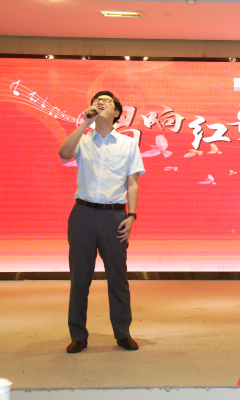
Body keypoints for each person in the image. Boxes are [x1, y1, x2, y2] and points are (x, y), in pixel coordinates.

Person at [58, 91, 145, 353]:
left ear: (117, 113)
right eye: (97, 101)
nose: (101, 103)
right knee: (80, 277)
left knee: (117, 277)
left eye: (107, 101)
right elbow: (63, 153)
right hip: (83, 214)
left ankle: (122, 333)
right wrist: (85, 123)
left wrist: (132, 215)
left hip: (114, 216)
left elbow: (132, 182)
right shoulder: (83, 139)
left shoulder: (128, 143)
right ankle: (78, 335)